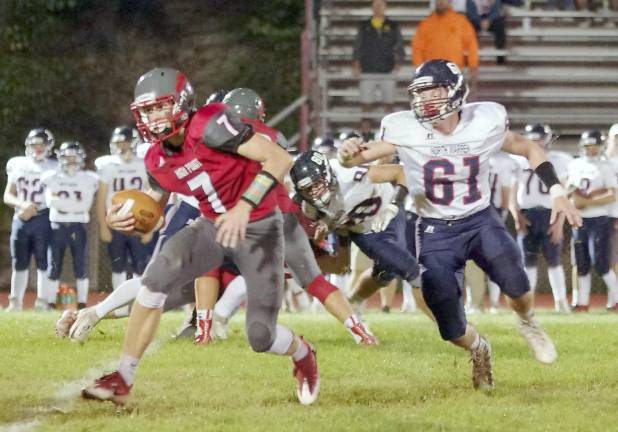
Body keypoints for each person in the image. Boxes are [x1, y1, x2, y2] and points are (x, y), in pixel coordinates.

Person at [81, 67, 319, 406]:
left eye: (159, 107)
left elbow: (279, 158)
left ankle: (303, 353)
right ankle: (123, 376)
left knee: (260, 336)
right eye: (146, 111)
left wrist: (244, 206)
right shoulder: (156, 157)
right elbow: (154, 212)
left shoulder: (210, 122)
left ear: (181, 103)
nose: (152, 117)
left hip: (260, 226)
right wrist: (129, 219)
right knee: (155, 280)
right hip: (212, 227)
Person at [338, 59, 582, 390]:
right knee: (449, 327)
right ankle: (480, 348)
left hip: (480, 219)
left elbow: (527, 147)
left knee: (518, 286)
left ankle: (527, 322)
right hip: (435, 229)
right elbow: (356, 158)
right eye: (419, 93)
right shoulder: (404, 126)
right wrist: (347, 151)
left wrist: (556, 190)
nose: (424, 100)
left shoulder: (485, 119)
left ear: (455, 91)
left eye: (433, 91)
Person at [221, 87, 377, 345]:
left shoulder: (222, 139)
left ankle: (210, 323)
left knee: (226, 267)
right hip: (284, 211)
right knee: (314, 280)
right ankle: (360, 332)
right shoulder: (274, 136)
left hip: (250, 215)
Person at [290, 150, 423, 323]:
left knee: (389, 269)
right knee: (341, 268)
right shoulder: (307, 207)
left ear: (327, 174)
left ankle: (355, 301)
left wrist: (394, 204)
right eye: (307, 189)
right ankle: (351, 303)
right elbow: (317, 230)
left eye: (317, 184)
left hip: (383, 214)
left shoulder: (349, 175)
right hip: (351, 226)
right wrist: (319, 234)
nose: (314, 192)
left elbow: (400, 172)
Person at [510, 124, 572, 313]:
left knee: (554, 260)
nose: (537, 143)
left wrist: (560, 223)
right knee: (527, 261)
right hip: (526, 214)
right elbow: (512, 194)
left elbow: (563, 195)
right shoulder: (518, 161)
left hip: (550, 214)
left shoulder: (558, 160)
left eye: (540, 139)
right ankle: (528, 303)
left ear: (548, 139)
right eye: (533, 139)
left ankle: (561, 302)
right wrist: (516, 216)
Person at [41, 142, 101, 309]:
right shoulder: (51, 176)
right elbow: (50, 202)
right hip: (57, 224)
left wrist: (63, 204)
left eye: (74, 157)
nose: (71, 161)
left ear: (81, 158)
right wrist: (73, 203)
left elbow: (85, 206)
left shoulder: (89, 178)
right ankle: (51, 303)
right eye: (67, 156)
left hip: (78, 224)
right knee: (54, 263)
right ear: (60, 157)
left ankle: (82, 302)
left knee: (80, 264)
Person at [3, 129, 58, 311]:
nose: (37, 148)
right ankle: (15, 302)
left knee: (43, 260)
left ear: (49, 146)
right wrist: (22, 205)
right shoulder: (18, 164)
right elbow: (7, 196)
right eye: (34, 144)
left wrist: (39, 207)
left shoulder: (54, 166)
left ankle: (42, 302)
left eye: (41, 144)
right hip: (21, 217)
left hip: (43, 217)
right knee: (19, 261)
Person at [566, 130, 618, 311]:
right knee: (582, 263)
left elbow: (612, 195)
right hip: (580, 219)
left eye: (594, 146)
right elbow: (570, 188)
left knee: (601, 262)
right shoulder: (575, 164)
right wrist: (572, 197)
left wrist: (586, 201)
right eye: (588, 146)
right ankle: (582, 303)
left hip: (599, 219)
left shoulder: (606, 166)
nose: (591, 150)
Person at [96, 126, 151, 295]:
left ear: (133, 143)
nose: (120, 146)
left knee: (140, 263)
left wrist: (149, 226)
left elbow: (151, 196)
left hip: (138, 220)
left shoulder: (143, 164)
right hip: (117, 220)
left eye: (123, 142)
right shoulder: (108, 165)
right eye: (117, 143)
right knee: (117, 264)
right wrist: (103, 227)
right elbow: (101, 199)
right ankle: (118, 300)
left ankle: (138, 299)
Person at [352, 0, 405, 140]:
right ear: (372, 7)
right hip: (367, 70)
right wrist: (356, 64)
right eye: (375, 5)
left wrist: (399, 62)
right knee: (366, 104)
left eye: (380, 5)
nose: (378, 8)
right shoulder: (364, 25)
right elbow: (357, 45)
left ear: (385, 7)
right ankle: (365, 136)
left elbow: (399, 44)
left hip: (387, 70)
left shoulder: (392, 25)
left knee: (389, 104)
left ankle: (389, 136)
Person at [412, 0, 479, 97]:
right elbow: (417, 48)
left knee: (455, 106)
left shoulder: (461, 21)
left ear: (450, 2)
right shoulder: (426, 23)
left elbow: (471, 45)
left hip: (454, 73)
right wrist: (419, 69)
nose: (440, 2)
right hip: (432, 75)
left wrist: (473, 66)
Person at [466, 0, 507, 65]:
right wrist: (480, 22)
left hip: (491, 20)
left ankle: (500, 58)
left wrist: (488, 20)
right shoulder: (471, 1)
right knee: (469, 28)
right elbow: (471, 13)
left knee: (500, 26)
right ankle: (471, 59)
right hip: (476, 21)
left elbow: (496, 12)